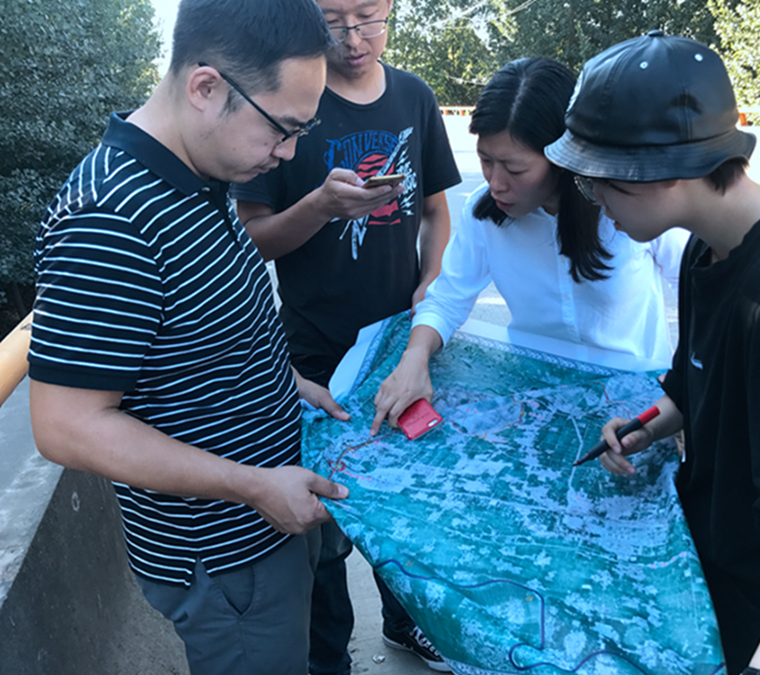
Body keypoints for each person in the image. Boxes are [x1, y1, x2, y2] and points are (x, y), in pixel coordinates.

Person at [546, 31, 760, 675]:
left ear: (666, 170)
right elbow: (700, 382)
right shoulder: (706, 249)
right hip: (728, 580)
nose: (594, 200)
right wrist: (648, 425)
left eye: (601, 183)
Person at [27, 1, 352, 673]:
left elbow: (192, 333)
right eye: (282, 129)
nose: (288, 152)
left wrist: (285, 383)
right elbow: (66, 425)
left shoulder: (200, 173)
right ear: (206, 87)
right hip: (226, 555)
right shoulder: (108, 218)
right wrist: (253, 486)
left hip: (267, 516)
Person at [232, 0, 461, 670]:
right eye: (334, 20)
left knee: (402, 498)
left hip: (399, 345)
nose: (354, 37)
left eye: (369, 17)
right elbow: (252, 237)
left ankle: (405, 621)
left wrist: (431, 281)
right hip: (312, 349)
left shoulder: (415, 97)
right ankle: (329, 656)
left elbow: (437, 210)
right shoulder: (289, 105)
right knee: (324, 514)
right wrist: (321, 206)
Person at [371, 57, 688, 432]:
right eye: (486, 161)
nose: (496, 183)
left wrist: (683, 382)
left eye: (515, 169)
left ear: (562, 158)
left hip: (635, 397)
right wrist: (415, 358)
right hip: (534, 396)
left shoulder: (624, 206)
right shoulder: (484, 213)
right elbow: (446, 299)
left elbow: (697, 287)